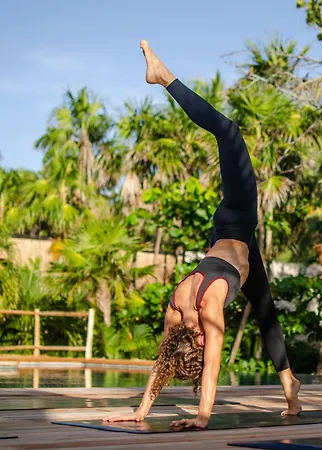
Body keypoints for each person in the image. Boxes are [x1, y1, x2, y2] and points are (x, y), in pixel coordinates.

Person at [104, 40, 302, 430]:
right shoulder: (191, 309)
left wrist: (166, 413)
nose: (204, 340)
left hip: (235, 220)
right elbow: (191, 362)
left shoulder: (194, 308)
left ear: (190, 338)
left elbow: (185, 364)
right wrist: (178, 415)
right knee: (265, 310)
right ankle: (290, 386)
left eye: (198, 340)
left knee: (228, 131)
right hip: (235, 242)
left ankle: (164, 78)